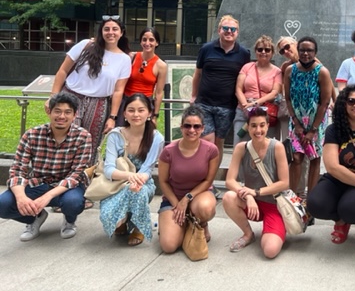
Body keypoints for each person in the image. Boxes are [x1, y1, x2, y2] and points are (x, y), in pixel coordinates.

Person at [0, 92, 92, 241]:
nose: (62, 116)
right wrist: (21, 197)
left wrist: (46, 197)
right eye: (57, 111)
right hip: (37, 184)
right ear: (49, 112)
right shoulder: (32, 135)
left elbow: (76, 174)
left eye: (67, 112)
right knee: (2, 205)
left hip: (66, 187)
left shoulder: (83, 136)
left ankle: (69, 220)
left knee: (73, 203)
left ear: (74, 115)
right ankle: (34, 218)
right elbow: (17, 169)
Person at [306, 84, 355, 252]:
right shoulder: (334, 129)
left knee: (349, 207)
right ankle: (341, 221)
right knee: (315, 203)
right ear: (344, 103)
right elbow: (333, 167)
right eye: (351, 101)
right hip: (340, 180)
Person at [45, 16, 131, 163]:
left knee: (91, 143)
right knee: (64, 136)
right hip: (71, 97)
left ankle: (83, 179)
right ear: (101, 32)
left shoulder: (124, 59)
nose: (111, 32)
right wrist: (53, 97)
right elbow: (63, 71)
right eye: (107, 29)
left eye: (115, 29)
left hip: (99, 103)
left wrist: (112, 117)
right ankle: (57, 176)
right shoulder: (86, 45)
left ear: (121, 32)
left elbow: (118, 90)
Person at [191, 14, 250, 196]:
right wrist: (193, 95)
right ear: (219, 30)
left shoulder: (244, 53)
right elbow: (198, 74)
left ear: (237, 33)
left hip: (227, 106)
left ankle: (211, 180)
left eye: (233, 29)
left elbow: (245, 78)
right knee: (207, 142)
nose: (229, 32)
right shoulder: (207, 49)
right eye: (226, 29)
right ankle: (204, 182)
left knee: (218, 144)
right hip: (205, 103)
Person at [223, 107, 290, 258]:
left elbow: (284, 183)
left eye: (261, 125)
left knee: (270, 251)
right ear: (248, 127)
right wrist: (249, 196)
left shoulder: (277, 147)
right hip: (252, 203)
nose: (258, 130)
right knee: (229, 197)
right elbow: (230, 180)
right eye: (253, 125)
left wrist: (256, 192)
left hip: (274, 204)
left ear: (267, 126)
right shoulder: (241, 148)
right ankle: (248, 234)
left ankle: (278, 228)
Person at [99, 94, 164, 246]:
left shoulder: (156, 138)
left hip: (142, 183)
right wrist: (130, 176)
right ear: (124, 114)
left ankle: (138, 227)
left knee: (138, 192)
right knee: (110, 218)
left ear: (149, 113)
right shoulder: (115, 135)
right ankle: (122, 220)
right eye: (131, 110)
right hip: (116, 183)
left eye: (141, 110)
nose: (136, 114)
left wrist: (136, 181)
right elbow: (108, 170)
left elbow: (147, 170)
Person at [157, 105, 218, 253]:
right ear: (181, 127)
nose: (192, 130)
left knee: (206, 208)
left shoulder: (211, 150)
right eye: (187, 126)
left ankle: (201, 222)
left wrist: (187, 199)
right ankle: (181, 223)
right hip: (173, 198)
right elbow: (163, 181)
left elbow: (208, 181)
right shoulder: (168, 151)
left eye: (196, 126)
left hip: (198, 196)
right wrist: (177, 205)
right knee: (169, 246)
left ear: (203, 128)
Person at [283, 36, 333, 198]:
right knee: (296, 158)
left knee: (314, 159)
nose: (305, 53)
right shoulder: (290, 71)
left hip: (316, 124)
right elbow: (288, 98)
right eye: (302, 49)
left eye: (309, 50)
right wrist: (296, 123)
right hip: (296, 122)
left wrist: (313, 130)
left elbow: (324, 103)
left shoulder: (322, 72)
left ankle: (310, 200)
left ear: (315, 52)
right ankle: (292, 197)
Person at [233, 35, 283, 145]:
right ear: (255, 51)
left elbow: (275, 93)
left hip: (265, 113)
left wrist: (256, 103)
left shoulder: (277, 71)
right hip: (243, 111)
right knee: (240, 145)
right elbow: (238, 89)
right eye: (260, 49)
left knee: (265, 148)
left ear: (272, 52)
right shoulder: (247, 67)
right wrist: (245, 105)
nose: (263, 52)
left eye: (267, 49)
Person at [117, 27, 168, 126]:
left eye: (151, 40)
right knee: (122, 132)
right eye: (144, 39)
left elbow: (158, 93)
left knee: (142, 135)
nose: (147, 43)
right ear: (140, 42)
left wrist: (155, 115)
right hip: (126, 101)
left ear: (157, 43)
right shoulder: (131, 57)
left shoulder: (161, 65)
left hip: (145, 103)